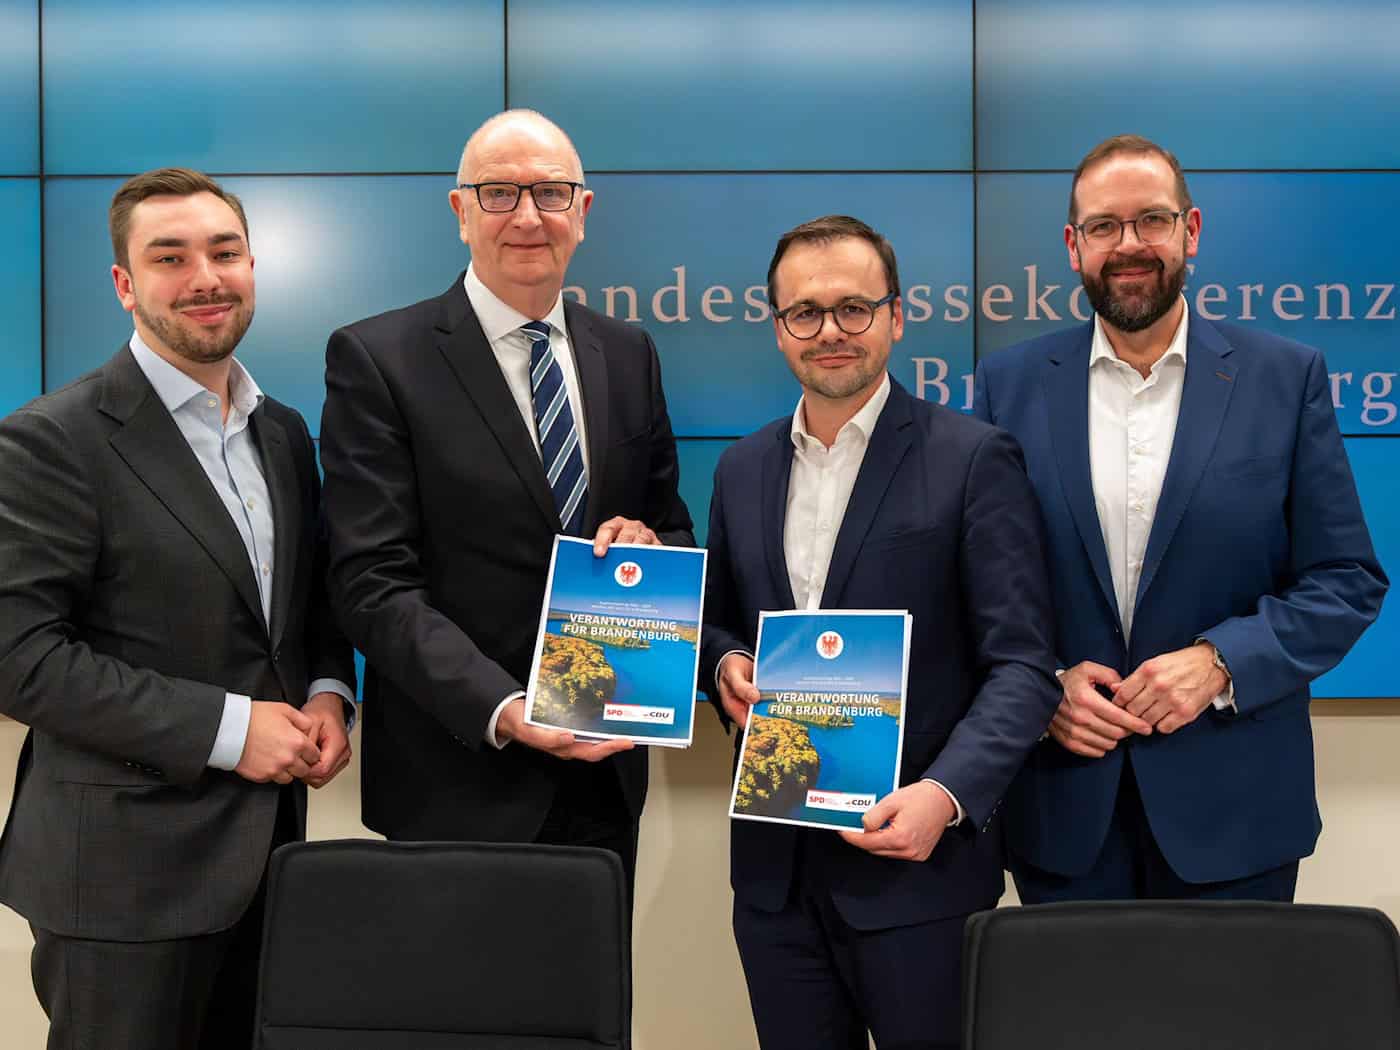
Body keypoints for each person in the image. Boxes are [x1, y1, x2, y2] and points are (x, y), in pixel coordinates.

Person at [973, 134, 1389, 903]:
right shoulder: (1008, 385)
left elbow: (1346, 581)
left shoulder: (1284, 378)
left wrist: (1221, 662)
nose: (1128, 245)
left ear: (1190, 231)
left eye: (1152, 220)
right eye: (1104, 226)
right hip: (1063, 808)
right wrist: (1045, 684)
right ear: (1073, 245)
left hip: (1237, 813)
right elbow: (981, 585)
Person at [0, 167, 356, 1050]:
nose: (205, 277)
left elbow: (301, 607)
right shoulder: (53, 439)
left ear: (252, 267)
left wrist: (327, 691)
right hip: (122, 880)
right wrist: (232, 730)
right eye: (170, 258)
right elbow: (19, 656)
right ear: (125, 285)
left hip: (270, 862)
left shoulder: (282, 431)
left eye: (224, 252)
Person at [700, 215, 1060, 1049]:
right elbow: (719, 621)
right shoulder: (742, 468)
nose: (830, 331)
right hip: (776, 881)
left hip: (920, 875)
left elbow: (1022, 665)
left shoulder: (973, 458)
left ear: (896, 317)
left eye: (854, 308)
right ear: (778, 327)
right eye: (805, 312)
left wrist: (946, 797)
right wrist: (724, 664)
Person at [319, 110, 693, 892]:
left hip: (604, 780)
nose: (527, 216)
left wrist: (652, 548)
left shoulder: (629, 354)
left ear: (582, 212)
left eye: (550, 192)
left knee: (591, 980)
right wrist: (505, 707)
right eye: (498, 193)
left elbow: (672, 527)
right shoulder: (378, 359)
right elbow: (371, 585)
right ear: (461, 212)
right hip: (456, 781)